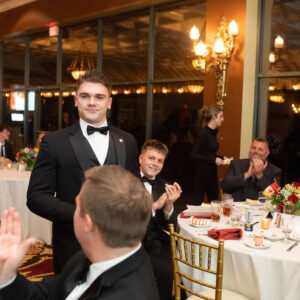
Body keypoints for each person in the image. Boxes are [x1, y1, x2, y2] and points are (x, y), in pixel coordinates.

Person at [27, 71, 139, 274]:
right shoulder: (54, 142)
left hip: (120, 246)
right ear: (76, 100)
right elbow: (36, 197)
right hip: (72, 247)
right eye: (85, 96)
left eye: (99, 96)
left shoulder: (128, 142)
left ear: (110, 102)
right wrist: (80, 216)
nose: (92, 102)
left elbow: (134, 192)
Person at [0, 165, 159, 300]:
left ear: (88, 223)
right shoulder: (93, 254)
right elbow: (50, 294)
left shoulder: (129, 294)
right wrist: (6, 276)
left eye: (77, 207)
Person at [138, 139, 182, 300]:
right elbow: (122, 216)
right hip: (132, 244)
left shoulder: (164, 185)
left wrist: (169, 206)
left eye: (160, 160)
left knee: (180, 264)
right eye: (151, 158)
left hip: (156, 244)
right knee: (166, 271)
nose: (155, 163)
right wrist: (154, 206)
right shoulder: (126, 181)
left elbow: (170, 226)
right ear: (140, 159)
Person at [191, 105, 228, 205]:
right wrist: (214, 160)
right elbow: (194, 155)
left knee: (214, 202)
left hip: (211, 172)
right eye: (221, 116)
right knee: (197, 202)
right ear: (213, 117)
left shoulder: (212, 133)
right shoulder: (204, 133)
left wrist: (221, 157)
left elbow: (208, 152)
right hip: (202, 174)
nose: (223, 119)